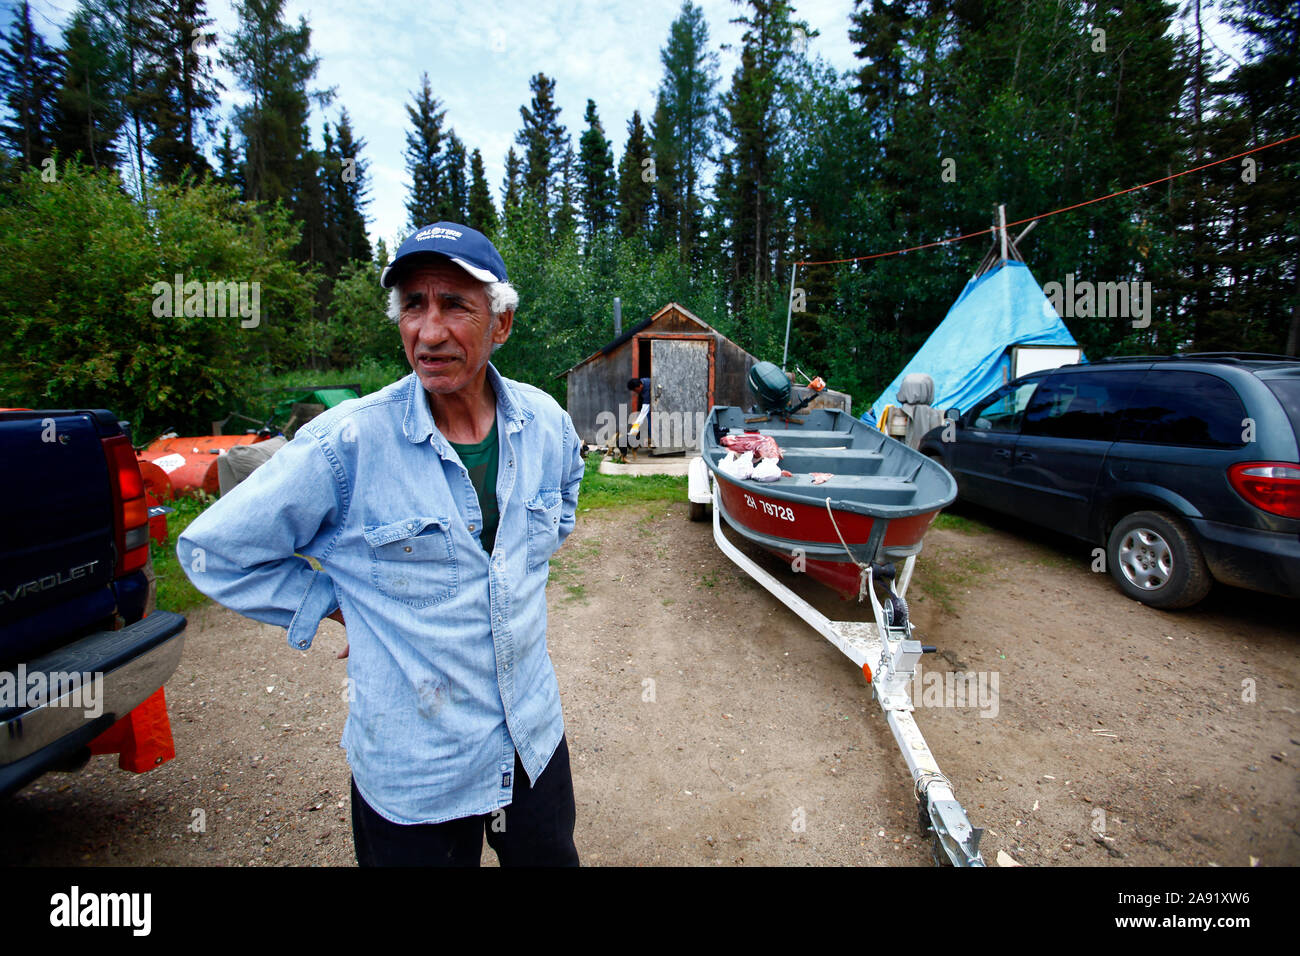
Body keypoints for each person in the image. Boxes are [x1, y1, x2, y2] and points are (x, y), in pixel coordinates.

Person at [177, 221, 585, 866]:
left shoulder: (546, 422)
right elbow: (215, 551)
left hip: (531, 738)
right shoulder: (346, 443)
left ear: (500, 324)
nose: (428, 330)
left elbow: (563, 496)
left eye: (455, 304)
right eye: (413, 306)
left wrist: (510, 570)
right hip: (416, 763)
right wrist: (331, 603)